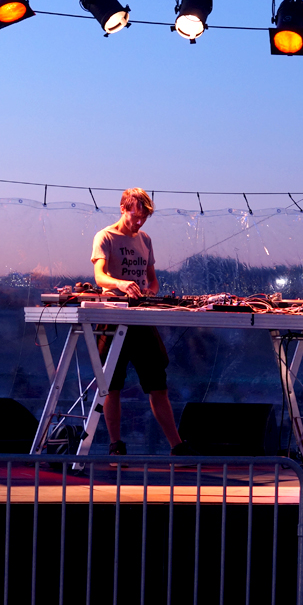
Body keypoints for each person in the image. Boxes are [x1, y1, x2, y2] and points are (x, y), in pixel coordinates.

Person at [92, 187, 192, 456]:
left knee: (157, 382)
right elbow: (100, 277)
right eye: (136, 217)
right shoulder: (105, 237)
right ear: (123, 208)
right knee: (111, 385)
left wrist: (150, 290)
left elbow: (153, 278)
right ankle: (116, 444)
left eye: (144, 218)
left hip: (141, 316)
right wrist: (122, 284)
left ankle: (177, 446)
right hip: (112, 317)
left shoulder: (145, 239)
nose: (139, 223)